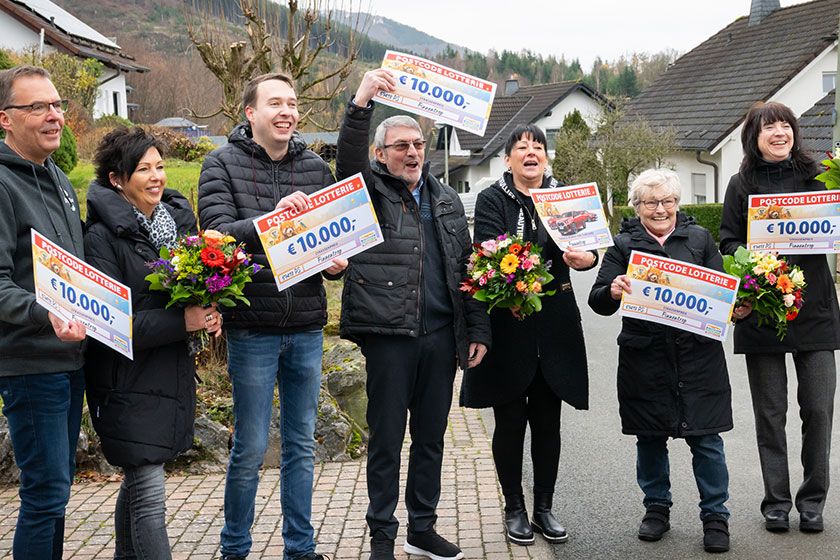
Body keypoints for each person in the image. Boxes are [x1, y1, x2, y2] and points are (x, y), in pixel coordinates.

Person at [336, 69, 491, 560]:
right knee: (386, 442)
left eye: (418, 144)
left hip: (441, 337)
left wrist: (477, 328)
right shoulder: (367, 191)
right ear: (381, 153)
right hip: (389, 337)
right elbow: (346, 160)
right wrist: (361, 103)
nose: (412, 152)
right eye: (400, 145)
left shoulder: (446, 199)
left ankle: (422, 528)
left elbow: (466, 269)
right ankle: (382, 535)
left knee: (430, 440)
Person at [198, 72, 342, 560]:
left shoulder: (317, 167)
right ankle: (234, 549)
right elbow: (217, 234)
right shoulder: (221, 163)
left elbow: (330, 237)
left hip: (306, 325)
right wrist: (273, 219)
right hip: (252, 328)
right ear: (250, 112)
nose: (287, 112)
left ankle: (300, 549)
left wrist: (336, 261)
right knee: (251, 447)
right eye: (275, 103)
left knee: (301, 445)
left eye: (293, 104)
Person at [83, 127, 223, 559]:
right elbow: (109, 324)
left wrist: (207, 311)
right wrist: (183, 321)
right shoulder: (101, 238)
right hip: (125, 379)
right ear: (116, 179)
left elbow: (184, 298)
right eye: (143, 169)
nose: (156, 176)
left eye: (159, 166)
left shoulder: (175, 228)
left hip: (165, 372)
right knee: (148, 493)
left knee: (138, 481)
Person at [460, 124, 596, 546]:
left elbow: (588, 246)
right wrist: (516, 284)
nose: (531, 152)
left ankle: (544, 508)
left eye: (538, 146)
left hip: (555, 322)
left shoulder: (566, 197)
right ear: (508, 159)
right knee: (510, 422)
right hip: (509, 321)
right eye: (522, 147)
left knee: (548, 421)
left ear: (546, 157)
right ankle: (514, 507)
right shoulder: (492, 198)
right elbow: (488, 254)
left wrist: (587, 258)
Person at [589, 169, 733, 553]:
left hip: (698, 359)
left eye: (668, 201)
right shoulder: (623, 246)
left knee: (707, 440)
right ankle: (656, 509)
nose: (660, 209)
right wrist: (613, 290)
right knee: (650, 438)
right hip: (646, 360)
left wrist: (735, 305)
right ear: (637, 207)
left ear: (677, 204)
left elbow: (723, 291)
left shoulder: (699, 239)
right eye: (651, 202)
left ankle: (715, 516)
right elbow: (598, 300)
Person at [720, 101, 840, 533]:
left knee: (819, 411)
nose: (779, 133)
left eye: (785, 125)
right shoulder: (741, 184)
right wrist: (757, 262)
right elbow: (728, 241)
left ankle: (812, 502)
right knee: (770, 414)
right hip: (764, 310)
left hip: (815, 310)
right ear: (754, 137)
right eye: (768, 127)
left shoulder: (820, 177)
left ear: (794, 132)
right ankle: (776, 502)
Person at [0, 65, 87, 559]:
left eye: (57, 105)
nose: (54, 116)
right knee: (45, 493)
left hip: (69, 357)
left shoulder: (59, 178)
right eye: (38, 107)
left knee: (57, 491)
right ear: (5, 119)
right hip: (30, 363)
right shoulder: (2, 185)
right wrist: (44, 313)